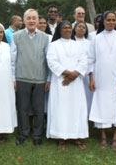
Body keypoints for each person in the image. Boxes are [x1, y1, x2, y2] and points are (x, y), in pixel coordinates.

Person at [88, 11, 116, 150]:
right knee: (102, 106)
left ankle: (115, 137)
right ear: (103, 21)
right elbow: (90, 60)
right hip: (101, 78)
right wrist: (91, 79)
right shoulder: (96, 38)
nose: (112, 22)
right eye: (109, 20)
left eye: (114, 20)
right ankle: (103, 136)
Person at [47, 21, 88, 150]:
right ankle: (61, 137)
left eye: (70, 28)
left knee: (76, 109)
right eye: (65, 28)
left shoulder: (78, 45)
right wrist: (68, 73)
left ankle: (76, 136)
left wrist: (73, 75)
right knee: (61, 108)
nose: (68, 30)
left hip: (75, 83)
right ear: (60, 30)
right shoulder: (53, 45)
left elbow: (83, 61)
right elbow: (52, 62)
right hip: (60, 82)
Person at [11, 9, 49, 146]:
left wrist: (48, 79)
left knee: (39, 109)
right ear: (24, 20)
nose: (32, 21)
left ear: (38, 20)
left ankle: (37, 135)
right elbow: (12, 59)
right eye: (29, 18)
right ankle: (22, 134)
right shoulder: (17, 36)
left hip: (40, 79)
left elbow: (48, 60)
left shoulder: (45, 38)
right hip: (22, 78)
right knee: (23, 109)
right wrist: (13, 78)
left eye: (34, 18)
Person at [71, 21, 92, 115]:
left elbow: (91, 58)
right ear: (74, 28)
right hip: (73, 73)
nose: (81, 28)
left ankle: (86, 115)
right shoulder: (71, 42)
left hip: (86, 74)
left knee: (87, 95)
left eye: (84, 27)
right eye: (79, 26)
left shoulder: (89, 43)